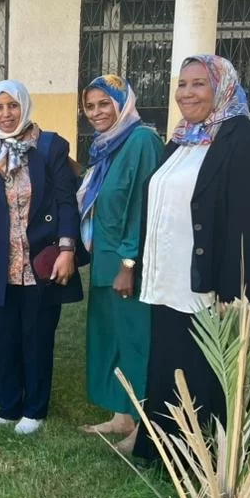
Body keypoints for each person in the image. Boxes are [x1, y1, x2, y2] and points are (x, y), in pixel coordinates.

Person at [133, 55, 250, 461]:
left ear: (222, 88)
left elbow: (246, 220)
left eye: (199, 84)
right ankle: (163, 450)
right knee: (169, 360)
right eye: (182, 84)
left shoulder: (243, 139)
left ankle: (204, 459)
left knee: (203, 368)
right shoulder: (183, 138)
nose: (186, 93)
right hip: (168, 277)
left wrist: (233, 288)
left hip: (207, 285)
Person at [0, 80, 85, 435]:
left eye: (12, 105)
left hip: (40, 262)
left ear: (24, 106)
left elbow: (66, 203)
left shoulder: (50, 146)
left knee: (37, 338)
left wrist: (67, 249)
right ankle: (9, 407)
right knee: (4, 338)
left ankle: (35, 410)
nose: (6, 114)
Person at [74, 76, 163, 449]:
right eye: (90, 106)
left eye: (104, 103)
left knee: (135, 342)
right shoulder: (106, 146)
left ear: (123, 103)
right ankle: (121, 415)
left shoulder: (141, 140)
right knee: (109, 339)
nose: (96, 112)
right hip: (105, 261)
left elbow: (142, 206)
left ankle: (145, 425)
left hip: (128, 264)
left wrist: (129, 263)